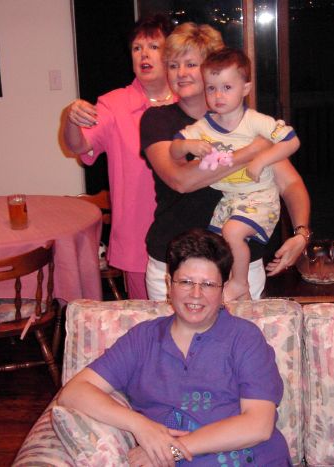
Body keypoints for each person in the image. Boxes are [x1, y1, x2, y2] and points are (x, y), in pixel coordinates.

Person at [58, 228, 292, 466]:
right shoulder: (142, 340)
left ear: (223, 290)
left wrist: (173, 449)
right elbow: (74, 392)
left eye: (208, 284)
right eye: (186, 282)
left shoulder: (244, 338)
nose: (196, 294)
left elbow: (258, 425)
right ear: (169, 284)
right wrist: (140, 426)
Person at [140, 22, 311, 301]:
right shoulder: (158, 120)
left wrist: (301, 234)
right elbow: (180, 180)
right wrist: (251, 151)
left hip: (237, 266)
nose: (181, 73)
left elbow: (290, 183)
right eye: (173, 65)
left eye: (190, 64)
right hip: (174, 264)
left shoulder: (246, 121)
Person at [170, 48, 300, 301]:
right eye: (211, 88)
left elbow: (292, 141)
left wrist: (261, 159)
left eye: (227, 87)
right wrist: (187, 146)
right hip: (230, 201)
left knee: (233, 233)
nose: (218, 95)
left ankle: (240, 283)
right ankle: (240, 294)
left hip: (260, 197)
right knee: (220, 247)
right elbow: (174, 150)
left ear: (246, 88)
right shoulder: (204, 126)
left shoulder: (255, 121)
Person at [62, 14, 174, 299]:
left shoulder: (190, 101)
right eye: (137, 48)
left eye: (154, 47)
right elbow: (79, 145)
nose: (144, 54)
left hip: (188, 229)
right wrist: (71, 120)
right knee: (148, 319)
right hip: (139, 238)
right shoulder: (113, 104)